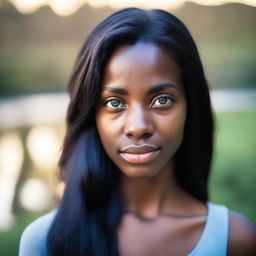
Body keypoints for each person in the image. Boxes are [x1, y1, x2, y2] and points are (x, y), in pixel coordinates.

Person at [19, 7, 256, 256]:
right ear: (91, 115)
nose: (138, 127)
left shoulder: (235, 240)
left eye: (162, 100)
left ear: (191, 105)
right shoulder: (45, 241)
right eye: (114, 103)